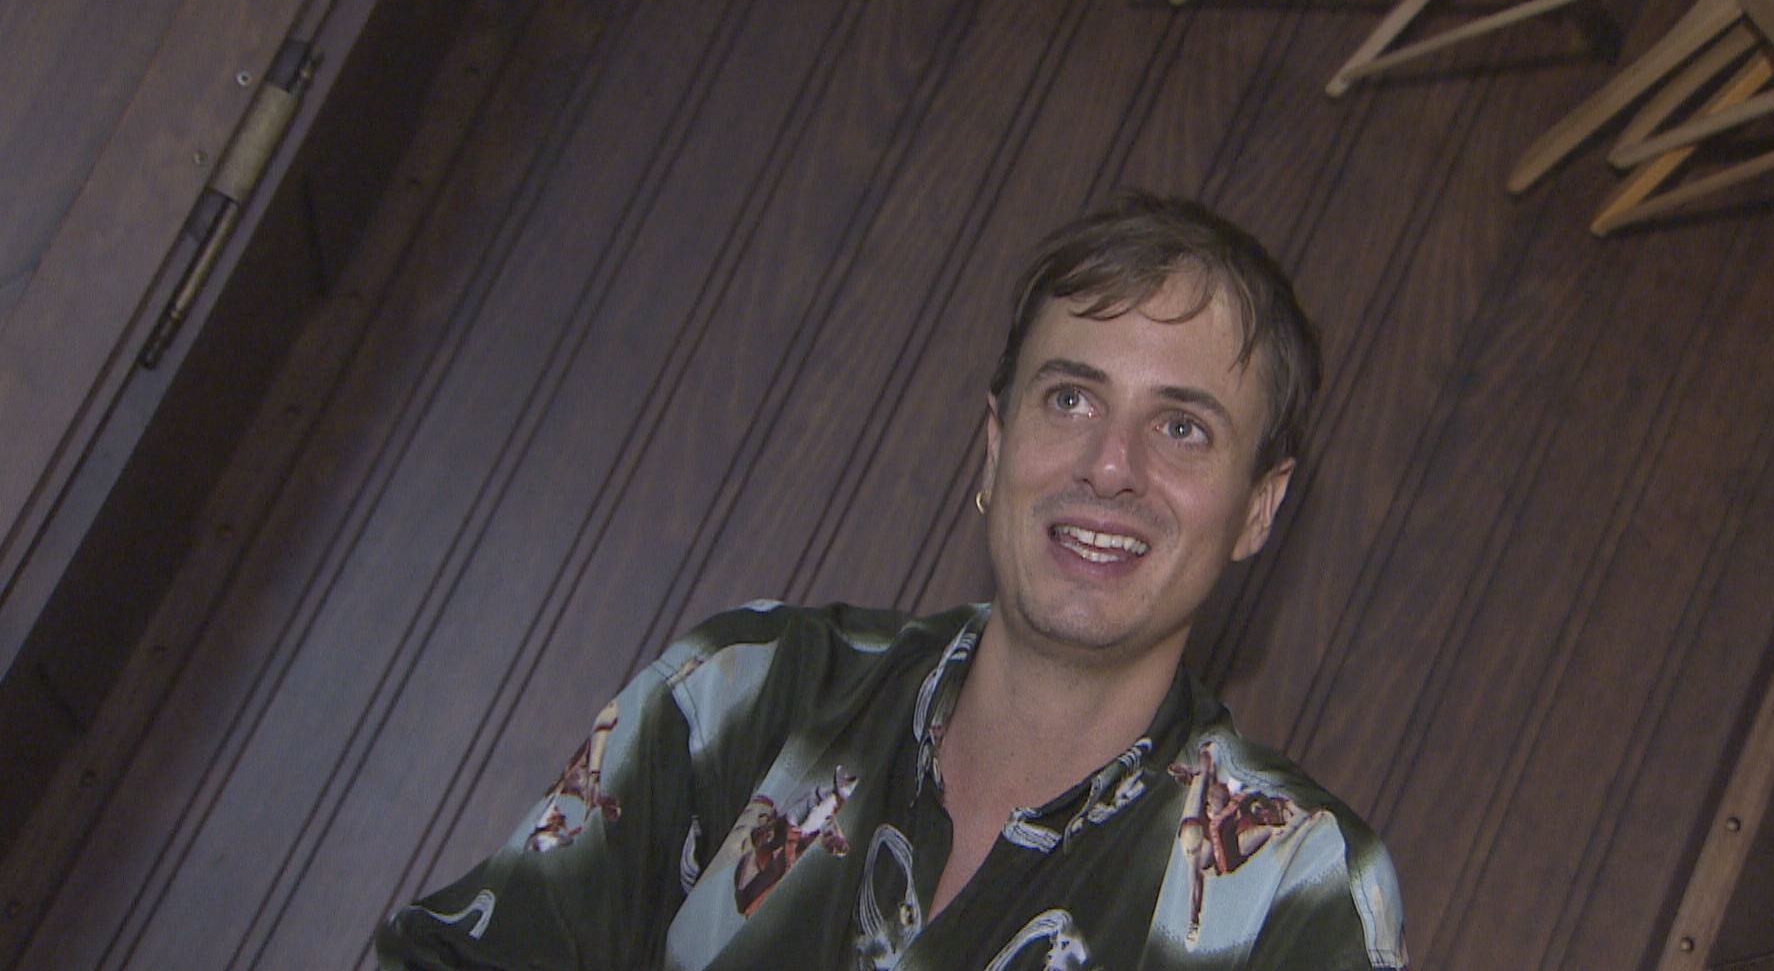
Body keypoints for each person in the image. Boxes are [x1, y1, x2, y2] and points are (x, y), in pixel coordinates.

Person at [374, 193, 1407, 970]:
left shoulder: (1290, 891)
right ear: (995, 445)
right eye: (1070, 399)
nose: (1109, 465)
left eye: (1181, 428)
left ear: (1258, 507)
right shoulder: (751, 695)